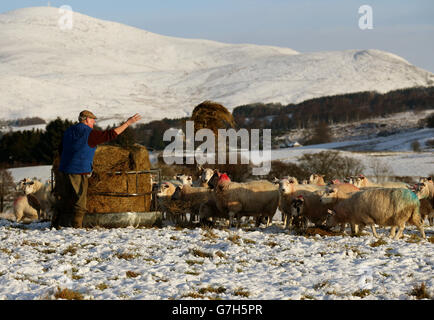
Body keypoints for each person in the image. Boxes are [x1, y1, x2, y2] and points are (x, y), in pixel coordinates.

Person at [52, 110, 142, 229]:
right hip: (78, 170)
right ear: (86, 119)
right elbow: (111, 134)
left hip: (63, 169)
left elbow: (61, 148)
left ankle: (57, 223)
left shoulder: (69, 131)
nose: (94, 122)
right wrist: (127, 123)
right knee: (80, 199)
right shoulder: (89, 133)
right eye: (92, 119)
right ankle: (77, 227)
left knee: (64, 197)